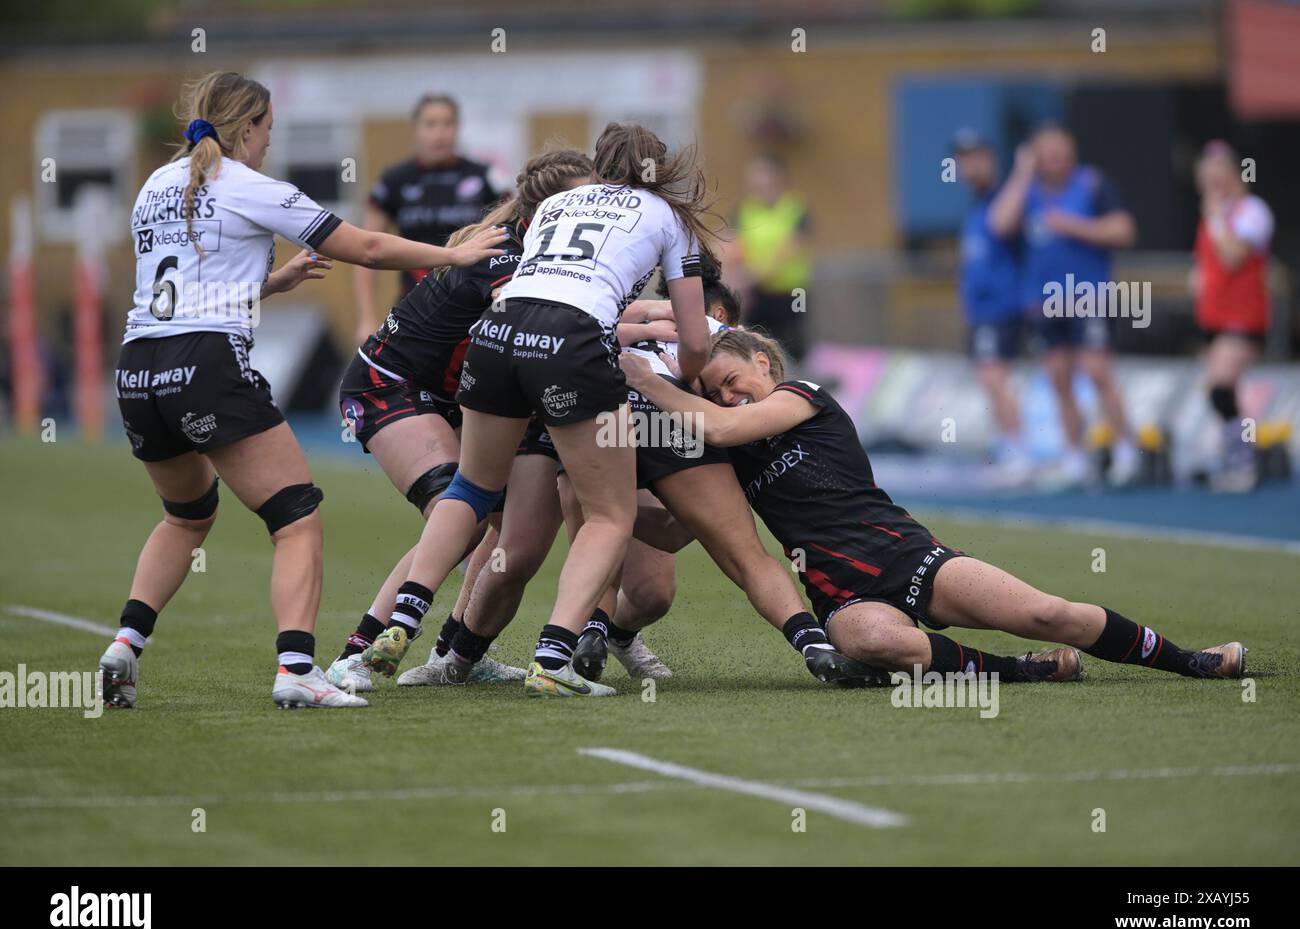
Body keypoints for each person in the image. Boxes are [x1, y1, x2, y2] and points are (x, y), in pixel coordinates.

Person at [98, 71, 506, 710]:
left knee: (187, 515)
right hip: (204, 365)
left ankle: (124, 644)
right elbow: (366, 247)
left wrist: (272, 284)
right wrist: (455, 256)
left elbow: (177, 295)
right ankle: (296, 671)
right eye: (267, 132)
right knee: (295, 514)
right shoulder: (253, 186)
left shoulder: (155, 186)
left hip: (138, 369)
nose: (268, 145)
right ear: (250, 127)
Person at [620, 328, 1246, 684]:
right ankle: (1022, 673)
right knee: (875, 641)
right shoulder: (734, 449)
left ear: (764, 363)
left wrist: (649, 382)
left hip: (908, 556)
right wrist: (614, 512)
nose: (727, 398)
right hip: (842, 593)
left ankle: (1190, 660)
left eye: (733, 382)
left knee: (1048, 613)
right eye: (715, 393)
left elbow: (725, 428)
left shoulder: (800, 394)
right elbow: (679, 532)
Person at [359, 122, 715, 699]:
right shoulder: (669, 217)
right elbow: (695, 344)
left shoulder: (560, 201)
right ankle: (553, 658)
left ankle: (402, 618)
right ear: (659, 167)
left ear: (600, 165)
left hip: (497, 336)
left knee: (472, 491)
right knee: (608, 515)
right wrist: (684, 381)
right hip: (571, 344)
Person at [327, 148, 595, 692]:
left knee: (493, 521)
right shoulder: (505, 258)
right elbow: (532, 319)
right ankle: (356, 653)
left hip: (450, 397)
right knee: (460, 510)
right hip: (389, 384)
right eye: (586, 201)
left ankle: (455, 653)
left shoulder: (535, 251)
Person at [567, 267, 871, 687]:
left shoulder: (610, 302)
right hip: (661, 417)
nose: (727, 396)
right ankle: (812, 643)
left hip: (607, 412)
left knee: (610, 543)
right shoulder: (712, 335)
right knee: (738, 554)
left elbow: (674, 530)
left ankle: (585, 633)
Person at [989, 124, 1140, 487]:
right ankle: (1075, 456)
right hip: (1043, 302)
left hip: (1086, 295)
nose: (1054, 158)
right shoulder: (1029, 191)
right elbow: (999, 224)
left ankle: (1125, 449)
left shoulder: (1092, 185)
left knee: (1098, 371)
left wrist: (1073, 226)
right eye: (1046, 152)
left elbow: (1124, 231)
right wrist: (1022, 172)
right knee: (1059, 379)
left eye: (1060, 150)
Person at [353, 94, 504, 343]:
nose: (440, 133)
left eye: (448, 124)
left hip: (474, 308)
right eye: (431, 124)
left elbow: (509, 237)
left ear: (458, 129)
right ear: (415, 130)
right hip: (414, 305)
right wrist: (367, 317)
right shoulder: (395, 180)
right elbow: (366, 249)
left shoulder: (485, 177)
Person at [1190, 140, 1275, 493]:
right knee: (1222, 392)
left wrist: (1215, 216)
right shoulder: (1212, 219)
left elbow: (1232, 258)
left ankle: (1244, 463)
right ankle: (1237, 457)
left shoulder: (1251, 212)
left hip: (1244, 317)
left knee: (1221, 388)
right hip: (1215, 317)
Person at [953, 129, 1029, 477]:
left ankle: (1018, 450)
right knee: (989, 378)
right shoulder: (975, 205)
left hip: (1000, 308)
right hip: (982, 311)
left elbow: (1005, 230)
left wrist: (1023, 170)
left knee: (996, 377)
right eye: (962, 159)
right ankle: (1007, 446)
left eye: (975, 157)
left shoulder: (1004, 198)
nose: (967, 166)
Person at [733, 153, 812, 365]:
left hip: (793, 291)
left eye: (759, 173)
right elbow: (735, 245)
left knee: (794, 341)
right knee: (760, 342)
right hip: (759, 292)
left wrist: (756, 273)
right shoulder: (745, 209)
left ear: (776, 176)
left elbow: (792, 248)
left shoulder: (795, 208)